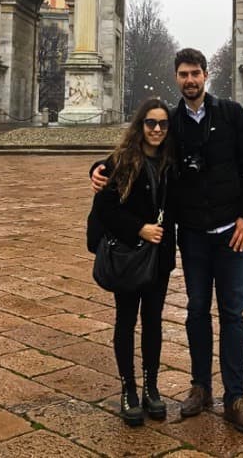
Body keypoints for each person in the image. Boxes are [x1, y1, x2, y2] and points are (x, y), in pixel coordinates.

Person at [92, 48, 243, 434]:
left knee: (233, 315)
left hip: (231, 234)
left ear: (206, 75)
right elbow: (132, 153)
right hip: (193, 237)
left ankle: (235, 396)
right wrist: (98, 169)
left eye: (196, 73)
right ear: (176, 78)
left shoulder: (232, 114)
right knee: (198, 311)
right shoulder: (170, 123)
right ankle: (200, 388)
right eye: (184, 74)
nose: (190, 80)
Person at [91, 97, 176, 427]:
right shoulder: (122, 161)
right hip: (129, 253)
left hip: (160, 257)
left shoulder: (173, 161)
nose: (156, 129)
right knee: (126, 321)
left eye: (163, 124)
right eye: (150, 123)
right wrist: (139, 229)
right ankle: (129, 390)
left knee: (153, 322)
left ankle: (151, 388)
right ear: (140, 125)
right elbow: (105, 208)